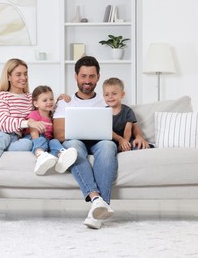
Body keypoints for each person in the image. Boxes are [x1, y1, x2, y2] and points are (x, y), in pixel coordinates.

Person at [53, 56, 150, 229]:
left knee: (108, 145)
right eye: (83, 76)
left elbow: (128, 119)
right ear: (76, 76)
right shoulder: (65, 102)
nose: (87, 81)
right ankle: (97, 200)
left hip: (101, 141)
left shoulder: (107, 99)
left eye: (91, 76)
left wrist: (139, 135)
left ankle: (96, 211)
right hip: (75, 141)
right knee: (73, 147)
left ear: (98, 77)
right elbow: (59, 134)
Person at [0, 58, 52, 197]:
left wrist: (62, 98)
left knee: (28, 143)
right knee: (2, 137)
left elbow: (45, 106)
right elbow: (2, 122)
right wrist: (28, 123)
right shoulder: (1, 96)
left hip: (13, 139)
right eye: (18, 74)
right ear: (8, 76)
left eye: (25, 74)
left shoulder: (29, 97)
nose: (23, 78)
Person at [24, 85, 77, 175]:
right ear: (36, 104)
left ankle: (61, 156)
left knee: (54, 141)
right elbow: (33, 129)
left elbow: (57, 105)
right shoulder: (34, 114)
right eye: (45, 100)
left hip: (48, 140)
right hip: (35, 138)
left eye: (51, 99)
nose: (49, 102)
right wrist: (37, 141)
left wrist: (61, 97)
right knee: (41, 139)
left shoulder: (53, 114)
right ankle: (40, 155)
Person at [103, 77, 137, 152]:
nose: (110, 97)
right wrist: (120, 140)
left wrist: (125, 143)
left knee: (136, 146)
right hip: (111, 141)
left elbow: (128, 130)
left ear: (122, 94)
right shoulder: (103, 112)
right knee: (108, 147)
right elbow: (108, 130)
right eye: (106, 95)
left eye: (114, 94)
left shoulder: (128, 111)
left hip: (126, 139)